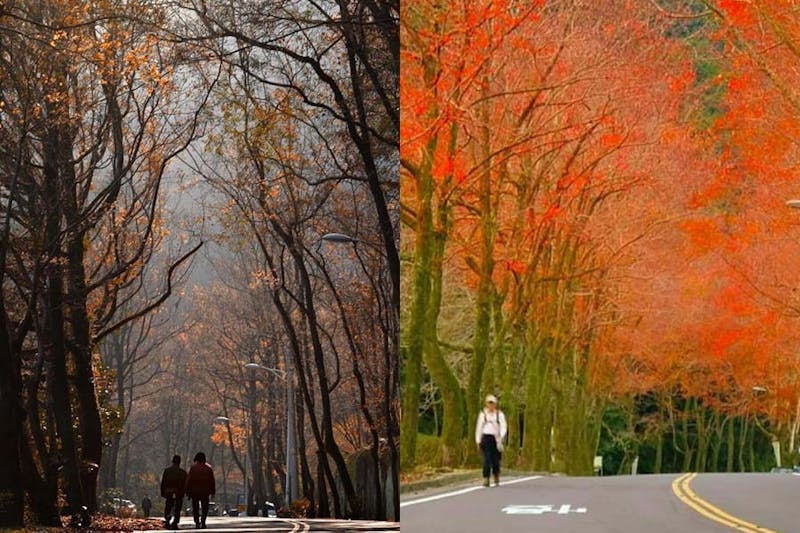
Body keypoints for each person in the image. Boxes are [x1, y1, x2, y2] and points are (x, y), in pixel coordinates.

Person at [475, 394, 507, 487]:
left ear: (495, 404)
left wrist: (501, 436)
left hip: (496, 438)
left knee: (495, 459)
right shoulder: (483, 414)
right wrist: (478, 440)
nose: (491, 405)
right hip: (486, 438)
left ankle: (496, 475)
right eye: (489, 403)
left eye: (492, 403)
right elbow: (479, 428)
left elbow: (503, 426)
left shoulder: (499, 414)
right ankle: (486, 478)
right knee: (486, 459)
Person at [185, 452, 216, 529]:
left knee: (195, 507)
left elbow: (189, 480)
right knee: (205, 507)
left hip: (195, 491)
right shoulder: (208, 468)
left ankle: (197, 522)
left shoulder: (193, 468)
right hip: (205, 491)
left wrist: (188, 492)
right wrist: (212, 492)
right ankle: (203, 520)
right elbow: (212, 481)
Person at [161, 455, 188, 530]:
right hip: (179, 492)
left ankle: (167, 519)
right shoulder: (183, 472)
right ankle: (175, 522)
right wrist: (185, 493)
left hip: (169, 491)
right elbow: (185, 484)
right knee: (177, 507)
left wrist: (163, 492)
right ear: (179, 462)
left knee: (168, 506)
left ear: (172, 461)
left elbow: (163, 482)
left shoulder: (167, 471)